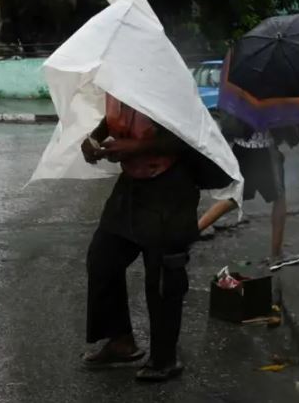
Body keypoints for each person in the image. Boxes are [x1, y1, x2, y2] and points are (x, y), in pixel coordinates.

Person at [80, 93, 201, 382]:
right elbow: (113, 120)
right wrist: (94, 139)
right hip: (132, 187)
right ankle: (121, 342)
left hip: (170, 188)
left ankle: (165, 358)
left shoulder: (164, 78)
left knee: (161, 276)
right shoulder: (118, 79)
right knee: (102, 260)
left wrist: (135, 146)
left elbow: (186, 137)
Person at [197, 125, 299, 271]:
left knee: (235, 198)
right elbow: (282, 122)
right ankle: (276, 255)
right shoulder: (268, 102)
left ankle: (190, 234)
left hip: (241, 149)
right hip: (264, 152)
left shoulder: (242, 101)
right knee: (279, 199)